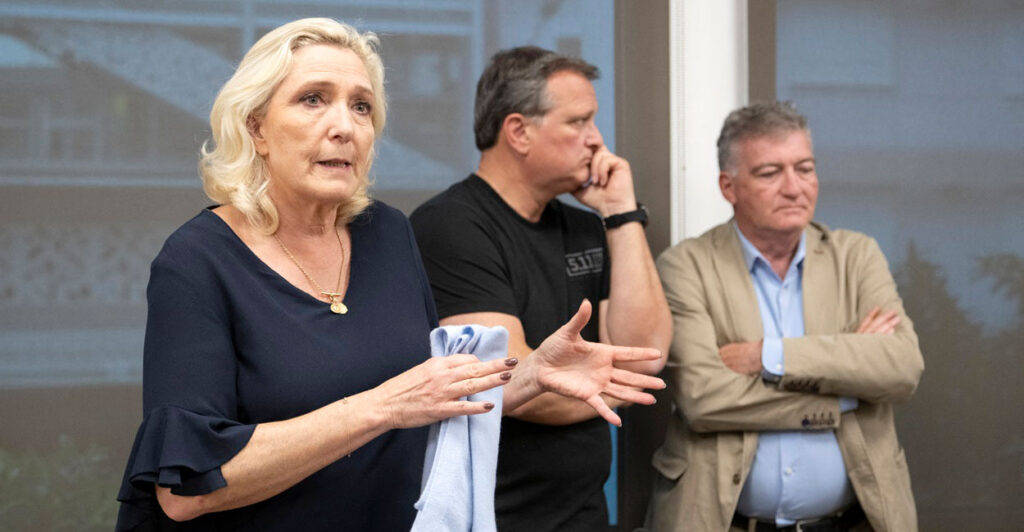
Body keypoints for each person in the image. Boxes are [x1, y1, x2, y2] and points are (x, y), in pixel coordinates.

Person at [114, 19, 666, 532]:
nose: (344, 126)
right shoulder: (196, 262)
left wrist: (529, 375)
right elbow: (185, 490)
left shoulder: (387, 234)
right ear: (256, 127)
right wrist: (380, 407)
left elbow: (429, 400)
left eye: (361, 107)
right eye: (313, 100)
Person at [410, 46, 672, 531]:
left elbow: (647, 354)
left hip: (587, 516)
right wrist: (617, 382)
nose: (597, 141)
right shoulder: (449, 226)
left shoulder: (585, 227)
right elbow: (511, 381)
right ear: (518, 132)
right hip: (500, 519)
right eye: (579, 122)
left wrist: (621, 214)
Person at [646, 101, 924, 531]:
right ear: (728, 186)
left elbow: (901, 367)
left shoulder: (857, 255)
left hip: (854, 522)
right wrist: (848, 390)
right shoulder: (686, 266)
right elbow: (704, 399)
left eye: (805, 168)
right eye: (769, 173)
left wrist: (768, 356)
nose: (795, 188)